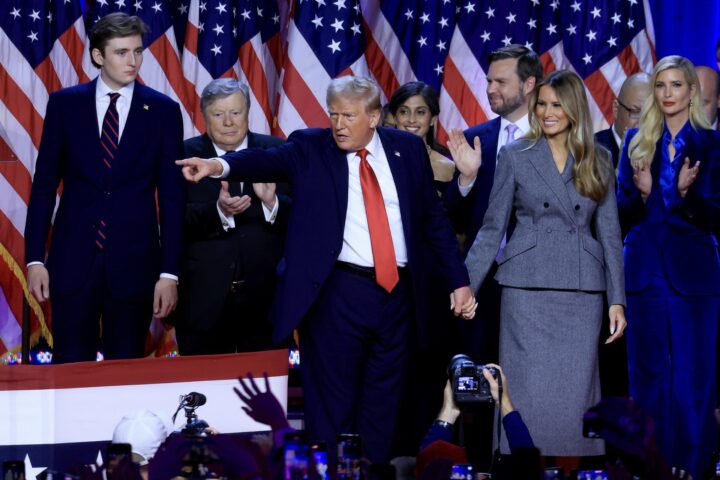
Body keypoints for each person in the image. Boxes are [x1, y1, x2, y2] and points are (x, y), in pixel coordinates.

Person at [177, 76, 476, 463]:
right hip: (338, 292)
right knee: (333, 404)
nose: (338, 124)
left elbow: (434, 222)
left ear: (373, 117)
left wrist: (459, 281)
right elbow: (264, 159)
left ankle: (372, 472)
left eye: (348, 116)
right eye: (333, 114)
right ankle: (328, 472)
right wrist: (217, 165)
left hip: (399, 297)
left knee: (384, 400)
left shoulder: (407, 150)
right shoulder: (311, 146)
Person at [456, 69, 626, 457]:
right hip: (526, 290)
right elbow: (492, 227)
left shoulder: (597, 157)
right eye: (543, 104)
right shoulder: (515, 155)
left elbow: (611, 234)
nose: (548, 112)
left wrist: (617, 300)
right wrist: (466, 284)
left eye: (556, 105)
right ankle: (521, 464)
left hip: (581, 291)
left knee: (575, 394)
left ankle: (575, 466)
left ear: (574, 110)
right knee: (526, 393)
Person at [24, 12, 185, 363]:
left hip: (135, 266)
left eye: (138, 52)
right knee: (70, 371)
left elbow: (172, 201)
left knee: (125, 375)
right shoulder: (65, 105)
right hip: (71, 264)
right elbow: (44, 186)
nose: (133, 61)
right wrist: (35, 258)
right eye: (122, 52)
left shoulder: (163, 111)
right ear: (98, 56)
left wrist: (169, 272)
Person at [617, 55, 720, 479]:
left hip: (693, 277)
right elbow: (620, 213)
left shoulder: (711, 145)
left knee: (692, 381)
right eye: (661, 86)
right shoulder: (635, 141)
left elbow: (714, 214)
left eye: (677, 85)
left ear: (692, 92)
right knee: (648, 381)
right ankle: (650, 467)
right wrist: (644, 196)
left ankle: (692, 469)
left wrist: (681, 195)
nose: (668, 94)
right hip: (644, 276)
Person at [173, 79, 289, 355]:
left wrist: (272, 203)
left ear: (248, 112)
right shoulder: (183, 156)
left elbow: (304, 221)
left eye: (236, 113)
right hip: (202, 302)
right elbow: (170, 221)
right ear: (204, 116)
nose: (228, 122)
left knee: (263, 396)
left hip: (267, 302)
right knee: (204, 394)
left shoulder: (277, 152)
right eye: (218, 114)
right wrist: (218, 212)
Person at [387, 82, 455, 194]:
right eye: (404, 112)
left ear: (433, 119)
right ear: (395, 117)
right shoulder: (378, 159)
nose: (412, 120)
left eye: (420, 112)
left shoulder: (448, 168)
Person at [595, 73, 652, 167]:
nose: (643, 123)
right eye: (636, 112)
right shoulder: (588, 154)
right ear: (616, 109)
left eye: (650, 114)